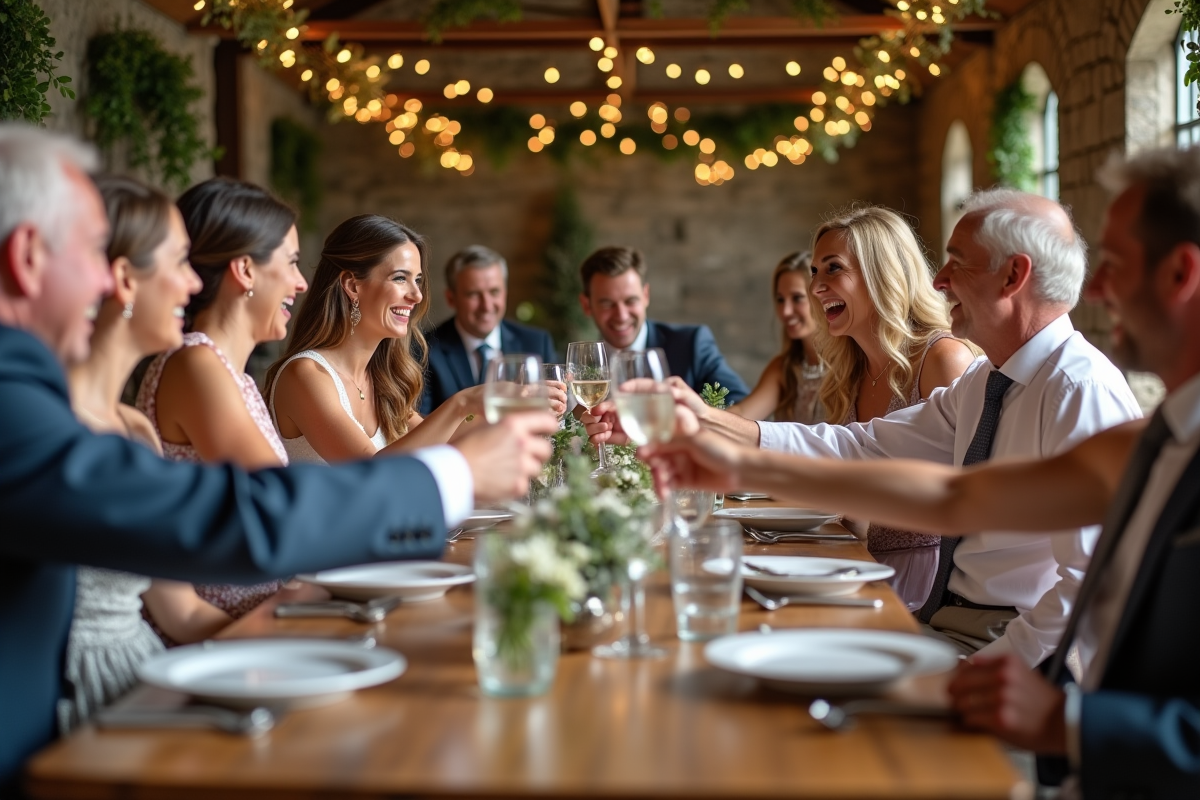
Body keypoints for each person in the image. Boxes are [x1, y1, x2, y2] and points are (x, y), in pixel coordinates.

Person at [0, 124, 554, 790]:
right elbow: (243, 514)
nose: (110, 277)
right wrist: (454, 473)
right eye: (94, 251)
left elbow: (175, 593)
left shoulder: (95, 412)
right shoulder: (23, 401)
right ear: (28, 257)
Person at [641, 145, 1200, 797]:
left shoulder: (1081, 389)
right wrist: (734, 456)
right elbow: (926, 482)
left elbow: (1079, 589)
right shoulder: (1007, 387)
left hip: (1015, 654)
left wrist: (1047, 707)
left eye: (1114, 264)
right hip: (961, 633)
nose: (936, 282)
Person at [589, 189, 1143, 668]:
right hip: (946, 623)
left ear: (1013, 276)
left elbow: (1095, 581)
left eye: (957, 263)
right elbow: (861, 444)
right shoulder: (987, 382)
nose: (939, 279)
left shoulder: (1076, 388)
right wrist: (705, 423)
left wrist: (996, 670)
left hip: (1006, 640)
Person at [61, 175, 214, 731]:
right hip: (68, 696)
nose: (194, 283)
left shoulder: (134, 428)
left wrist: (289, 638)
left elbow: (181, 611)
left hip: (144, 672)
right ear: (125, 279)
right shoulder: (52, 428)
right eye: (181, 262)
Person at [134, 177, 306, 634]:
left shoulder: (233, 375)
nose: (301, 283)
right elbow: (284, 504)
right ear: (245, 270)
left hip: (260, 621)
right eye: (291, 263)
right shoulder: (196, 364)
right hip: (219, 641)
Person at [267, 219, 566, 463]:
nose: (417, 295)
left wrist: (515, 405)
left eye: (418, 280)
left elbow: (443, 440)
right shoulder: (305, 375)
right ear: (352, 286)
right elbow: (372, 475)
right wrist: (463, 402)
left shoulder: (380, 377)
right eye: (400, 278)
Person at [577, 246, 749, 403]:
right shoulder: (575, 366)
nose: (621, 316)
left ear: (646, 295)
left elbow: (743, 405)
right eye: (607, 304)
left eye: (630, 301)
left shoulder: (691, 344)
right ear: (586, 305)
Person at [420, 245, 556, 415]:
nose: (487, 305)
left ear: (505, 292)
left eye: (494, 291)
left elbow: (557, 411)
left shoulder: (537, 343)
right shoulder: (425, 350)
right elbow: (421, 423)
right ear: (451, 298)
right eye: (473, 294)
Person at [726, 252, 827, 424]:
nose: (785, 311)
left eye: (797, 298)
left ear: (821, 298)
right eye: (780, 300)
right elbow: (742, 413)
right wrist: (701, 415)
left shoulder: (850, 366)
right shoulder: (784, 368)